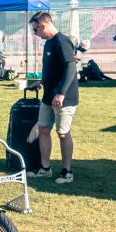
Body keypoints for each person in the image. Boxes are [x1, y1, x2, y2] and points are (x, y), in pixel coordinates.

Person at [26, 12, 78, 184]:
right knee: (43, 129)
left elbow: (70, 68)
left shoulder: (62, 41)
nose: (35, 33)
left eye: (35, 30)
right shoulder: (48, 42)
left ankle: (67, 172)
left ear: (42, 26)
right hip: (48, 96)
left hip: (64, 98)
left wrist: (61, 93)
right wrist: (41, 82)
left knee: (63, 133)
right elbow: (54, 68)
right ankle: (45, 168)